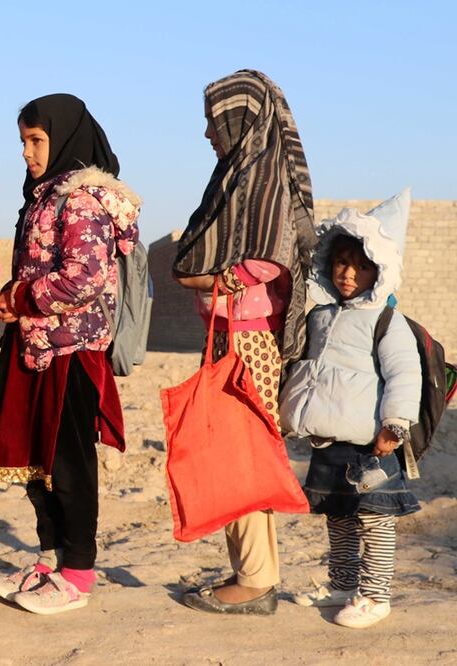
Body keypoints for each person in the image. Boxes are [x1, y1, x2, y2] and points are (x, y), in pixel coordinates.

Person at [0, 94, 139, 615]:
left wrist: (20, 298)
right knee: (40, 464)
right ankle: (50, 560)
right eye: (23, 143)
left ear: (65, 137)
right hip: (38, 346)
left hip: (72, 349)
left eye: (36, 141)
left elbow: (85, 277)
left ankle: (77, 570)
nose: (28, 153)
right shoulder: (43, 196)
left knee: (69, 463)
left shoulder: (80, 199)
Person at [175, 70, 316, 615]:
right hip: (226, 334)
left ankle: (256, 580)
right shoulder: (235, 180)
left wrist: (214, 278)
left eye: (214, 121)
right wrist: (207, 275)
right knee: (228, 452)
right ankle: (251, 571)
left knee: (242, 457)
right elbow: (192, 261)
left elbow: (264, 257)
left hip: (250, 339)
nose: (208, 133)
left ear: (240, 121)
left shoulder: (263, 185)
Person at [281, 190, 421, 629]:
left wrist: (394, 427)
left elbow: (403, 374)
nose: (347, 273)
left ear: (378, 271)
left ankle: (376, 596)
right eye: (342, 262)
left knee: (375, 520)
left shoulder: (386, 320)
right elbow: (307, 369)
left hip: (370, 444)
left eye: (360, 266)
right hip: (328, 440)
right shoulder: (320, 315)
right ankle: (342, 584)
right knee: (338, 516)